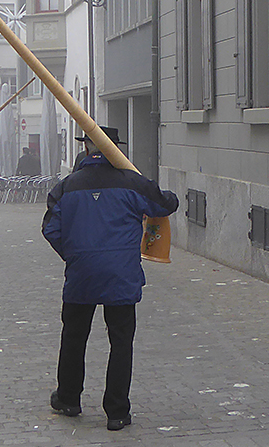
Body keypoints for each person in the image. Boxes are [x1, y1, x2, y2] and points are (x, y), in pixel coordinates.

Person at [42, 126, 178, 431]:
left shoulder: (66, 187)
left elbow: (50, 228)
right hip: (121, 275)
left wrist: (74, 254)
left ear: (87, 148)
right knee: (120, 342)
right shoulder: (132, 183)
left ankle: (68, 398)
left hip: (81, 274)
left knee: (74, 337)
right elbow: (166, 204)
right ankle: (116, 411)